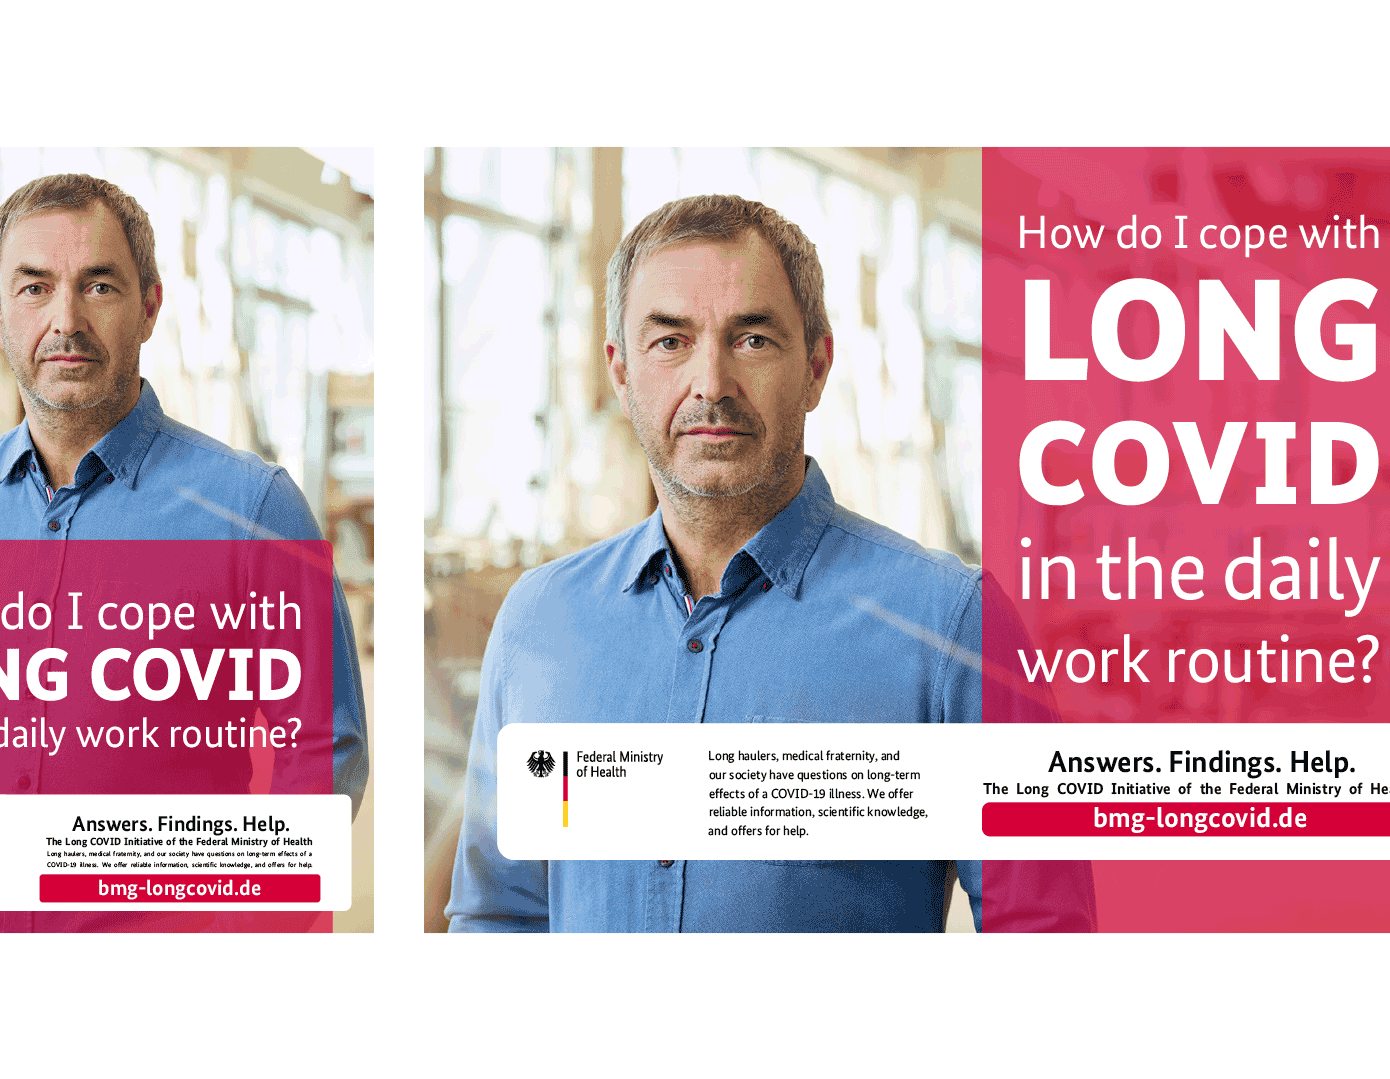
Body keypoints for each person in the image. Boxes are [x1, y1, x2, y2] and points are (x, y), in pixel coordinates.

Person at [446, 194, 1094, 932]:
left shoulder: (950, 624)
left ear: (816, 367)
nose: (711, 382)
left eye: (752, 339)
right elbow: (498, 914)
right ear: (621, 375)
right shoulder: (541, 620)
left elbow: (1046, 933)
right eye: (670, 342)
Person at [0, 174, 366, 931]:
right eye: (34, 289)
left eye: (98, 285)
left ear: (150, 306)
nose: (65, 320)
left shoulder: (254, 509)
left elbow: (321, 753)